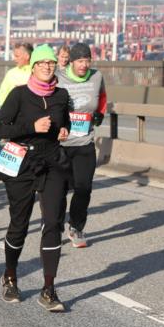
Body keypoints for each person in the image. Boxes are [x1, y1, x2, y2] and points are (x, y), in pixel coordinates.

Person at [0, 45, 71, 311]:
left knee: (53, 223)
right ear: (34, 67)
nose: (48, 67)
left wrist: (64, 130)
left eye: (51, 63)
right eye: (42, 63)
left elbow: (66, 121)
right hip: (23, 162)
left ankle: (49, 289)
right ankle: (10, 276)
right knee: (20, 223)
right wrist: (31, 127)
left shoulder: (61, 95)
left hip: (52, 162)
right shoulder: (19, 94)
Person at [57, 42, 107, 248]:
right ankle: (54, 224)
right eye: (80, 61)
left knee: (84, 187)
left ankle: (76, 227)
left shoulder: (97, 76)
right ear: (71, 61)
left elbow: (102, 97)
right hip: (61, 144)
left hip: (85, 141)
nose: (84, 65)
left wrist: (100, 114)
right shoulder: (58, 77)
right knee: (59, 189)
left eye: (87, 60)